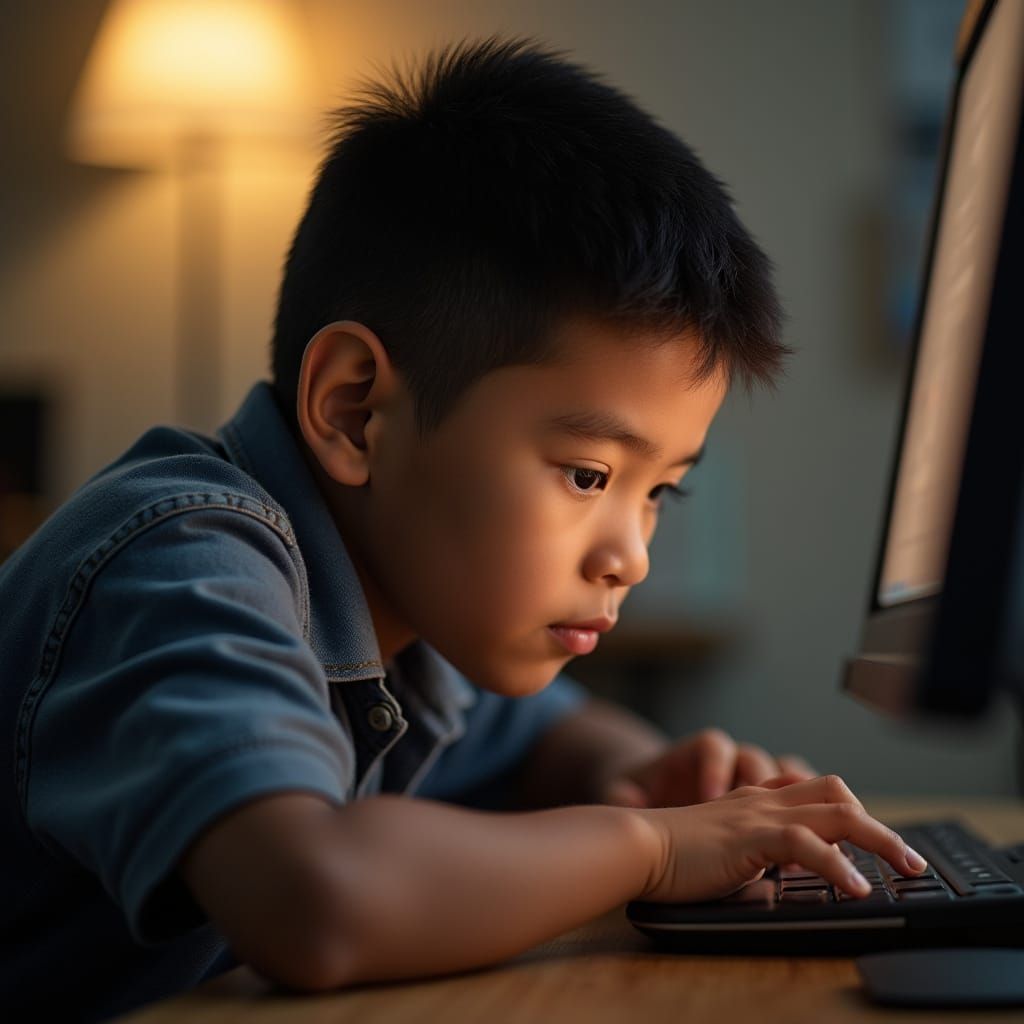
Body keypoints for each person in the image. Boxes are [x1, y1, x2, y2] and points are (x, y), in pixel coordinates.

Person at [0, 37, 928, 1021]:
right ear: (357, 411)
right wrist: (653, 848)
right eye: (588, 474)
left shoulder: (406, 613)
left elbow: (548, 735)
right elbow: (314, 897)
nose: (631, 554)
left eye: (662, 491)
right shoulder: (181, 565)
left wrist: (639, 774)